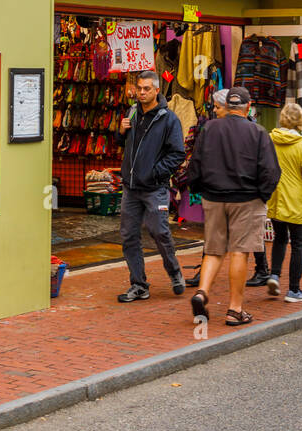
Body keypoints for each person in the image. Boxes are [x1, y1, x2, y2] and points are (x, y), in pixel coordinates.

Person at [186, 84, 281, 326]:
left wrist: (198, 188)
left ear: (228, 106)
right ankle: (235, 309)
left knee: (214, 250)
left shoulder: (209, 128)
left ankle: (202, 291)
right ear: (248, 107)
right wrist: (263, 195)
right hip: (246, 199)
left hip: (214, 197)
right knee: (240, 251)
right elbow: (270, 170)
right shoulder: (258, 132)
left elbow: (195, 162)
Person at [117, 70, 186, 302]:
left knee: (159, 231)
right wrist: (120, 131)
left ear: (157, 90)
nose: (142, 92)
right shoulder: (133, 112)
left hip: (154, 188)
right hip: (131, 187)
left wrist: (155, 172)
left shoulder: (169, 119)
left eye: (147, 88)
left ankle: (174, 272)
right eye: (139, 88)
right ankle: (138, 284)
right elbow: (122, 143)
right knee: (128, 236)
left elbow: (177, 154)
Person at [266, 102, 302, 303]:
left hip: (275, 199)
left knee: (279, 239)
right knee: (298, 244)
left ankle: (274, 275)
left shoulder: (269, 141)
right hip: (295, 201)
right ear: (300, 122)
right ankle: (294, 289)